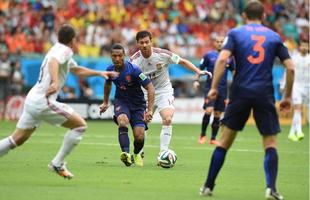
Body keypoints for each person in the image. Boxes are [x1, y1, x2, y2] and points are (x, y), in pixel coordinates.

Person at [199, 1, 294, 200]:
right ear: (264, 16)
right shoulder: (274, 36)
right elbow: (291, 67)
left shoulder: (235, 33)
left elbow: (223, 59)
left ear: (244, 16)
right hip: (264, 93)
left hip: (240, 93)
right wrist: (287, 97)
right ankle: (271, 189)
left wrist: (214, 87)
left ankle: (208, 186)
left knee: (224, 141)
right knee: (270, 143)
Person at [0, 24, 117, 179]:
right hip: (43, 101)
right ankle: (57, 163)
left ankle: (57, 163)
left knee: (17, 139)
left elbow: (76, 70)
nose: (78, 42)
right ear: (72, 40)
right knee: (80, 125)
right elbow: (53, 62)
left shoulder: (58, 50)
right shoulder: (64, 50)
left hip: (33, 98)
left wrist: (99, 73)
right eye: (77, 39)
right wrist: (55, 82)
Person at [130, 30, 211, 161]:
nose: (144, 45)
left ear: (151, 42)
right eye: (141, 43)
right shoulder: (134, 61)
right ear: (137, 44)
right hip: (144, 93)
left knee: (167, 119)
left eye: (147, 42)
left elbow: (182, 61)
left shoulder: (163, 54)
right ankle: (140, 151)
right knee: (142, 124)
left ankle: (163, 152)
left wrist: (197, 70)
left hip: (163, 91)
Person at [100, 43, 154, 167]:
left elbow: (150, 88)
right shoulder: (109, 70)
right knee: (122, 122)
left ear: (124, 56)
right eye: (114, 56)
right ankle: (126, 154)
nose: (117, 58)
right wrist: (105, 102)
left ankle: (137, 153)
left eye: (119, 56)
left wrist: (150, 110)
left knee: (139, 136)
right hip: (121, 102)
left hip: (138, 105)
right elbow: (108, 83)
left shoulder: (134, 71)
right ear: (111, 57)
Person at [193, 35, 235, 145]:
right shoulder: (208, 55)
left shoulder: (230, 57)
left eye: (222, 41)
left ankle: (213, 138)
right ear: (214, 43)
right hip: (210, 88)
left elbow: (234, 72)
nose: (220, 43)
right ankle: (202, 134)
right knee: (208, 110)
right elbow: (199, 69)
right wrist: (196, 80)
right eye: (218, 41)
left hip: (223, 90)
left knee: (217, 114)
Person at [287, 41, 309, 142]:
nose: (304, 47)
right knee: (298, 108)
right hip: (297, 86)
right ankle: (299, 131)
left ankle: (292, 133)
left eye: (306, 45)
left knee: (300, 110)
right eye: (302, 45)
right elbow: (289, 70)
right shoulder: (294, 58)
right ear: (299, 47)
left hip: (307, 87)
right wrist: (285, 84)